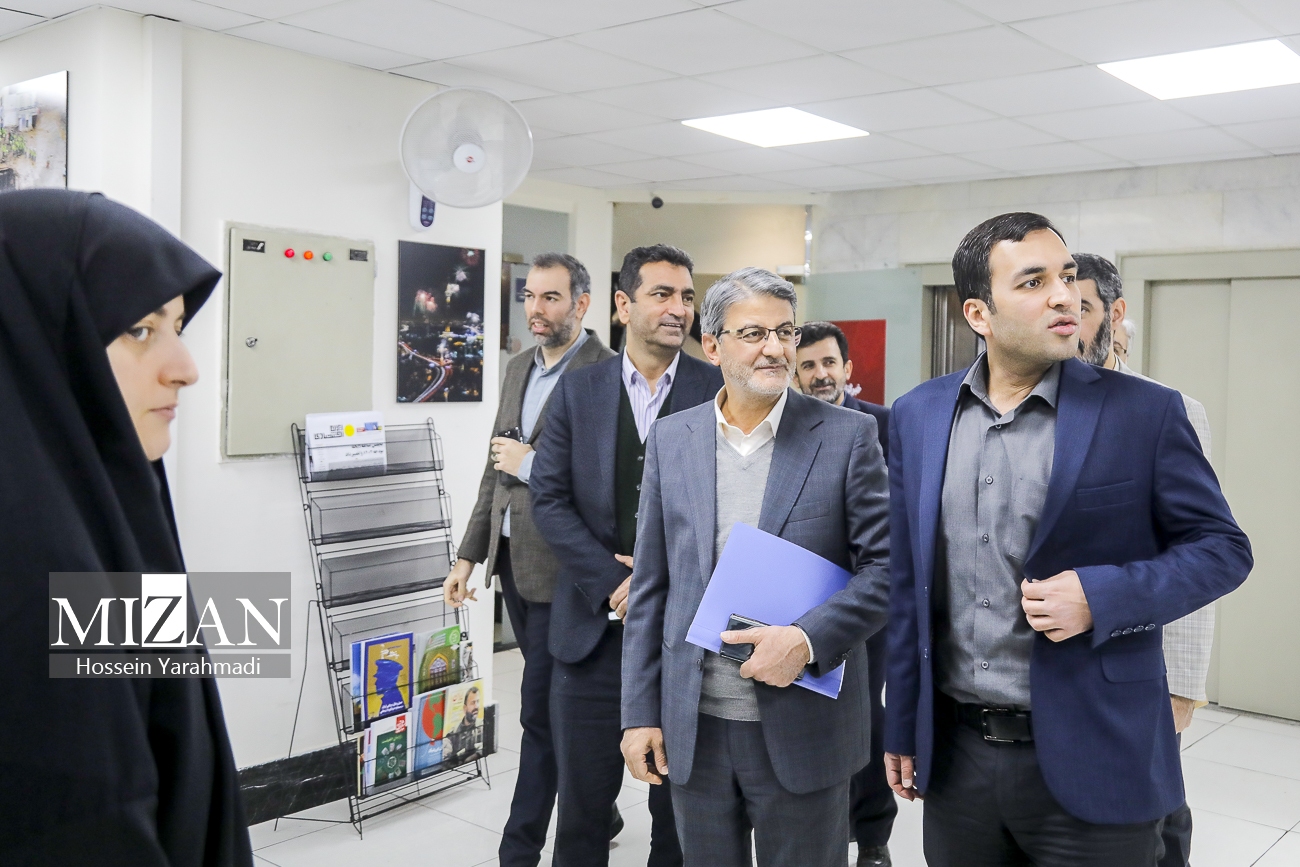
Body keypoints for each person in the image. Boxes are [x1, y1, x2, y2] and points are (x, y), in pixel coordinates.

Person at [883, 212, 1252, 865]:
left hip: (1098, 752)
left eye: (1068, 276)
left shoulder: (1143, 411)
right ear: (978, 313)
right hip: (958, 760)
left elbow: (1223, 549)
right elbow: (907, 582)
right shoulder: (918, 415)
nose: (1064, 296)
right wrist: (903, 721)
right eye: (1033, 282)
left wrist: (1101, 596)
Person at [0, 190, 252, 865]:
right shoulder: (31, 574)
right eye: (140, 330)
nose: (186, 367)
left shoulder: (105, 508)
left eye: (177, 325)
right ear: (45, 343)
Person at [620, 267, 891, 867]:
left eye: (785, 332)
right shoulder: (672, 439)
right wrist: (639, 714)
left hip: (803, 725)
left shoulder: (847, 436)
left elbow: (888, 570)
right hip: (695, 726)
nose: (775, 348)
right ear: (712, 346)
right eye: (753, 334)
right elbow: (652, 588)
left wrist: (807, 639)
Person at [532, 244, 721, 867]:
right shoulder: (579, 390)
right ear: (622, 305)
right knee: (582, 813)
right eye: (662, 294)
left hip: (684, 641)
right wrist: (612, 582)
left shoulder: (715, 390)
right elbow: (548, 499)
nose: (679, 309)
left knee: (680, 819)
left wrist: (666, 580)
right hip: (591, 638)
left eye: (687, 297)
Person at [443, 252, 613, 867]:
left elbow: (602, 483)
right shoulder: (517, 367)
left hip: (567, 572)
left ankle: (519, 851)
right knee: (549, 706)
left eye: (550, 298)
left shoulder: (606, 373)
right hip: (511, 561)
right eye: (529, 297)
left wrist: (532, 464)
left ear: (582, 304)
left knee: (540, 713)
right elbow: (495, 470)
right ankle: (604, 812)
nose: (535, 310)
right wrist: (468, 555)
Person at [1075, 252, 1215, 867]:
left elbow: (1197, 552)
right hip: (1057, 667)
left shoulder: (1167, 408)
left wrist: (1182, 683)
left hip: (1138, 662)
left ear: (1115, 314)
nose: (1066, 322)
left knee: (1154, 821)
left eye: (1081, 307)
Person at [793, 321, 894, 867]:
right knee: (808, 715)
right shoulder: (786, 430)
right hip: (804, 597)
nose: (820, 375)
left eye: (828, 363)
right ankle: (820, 827)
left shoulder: (884, 425)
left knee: (866, 717)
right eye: (807, 365)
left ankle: (873, 835)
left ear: (847, 369)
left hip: (869, 600)